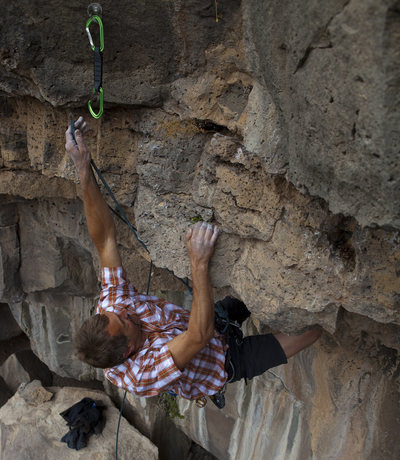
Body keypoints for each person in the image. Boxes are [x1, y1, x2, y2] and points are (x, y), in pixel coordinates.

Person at [65, 117, 321, 408]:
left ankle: (237, 310)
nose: (122, 311)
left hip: (209, 320)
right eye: (123, 321)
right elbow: (198, 337)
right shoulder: (141, 375)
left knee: (257, 286)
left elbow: (105, 240)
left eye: (115, 314)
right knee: (311, 328)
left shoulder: (112, 308)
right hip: (226, 361)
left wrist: (83, 168)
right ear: (128, 350)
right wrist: (198, 263)